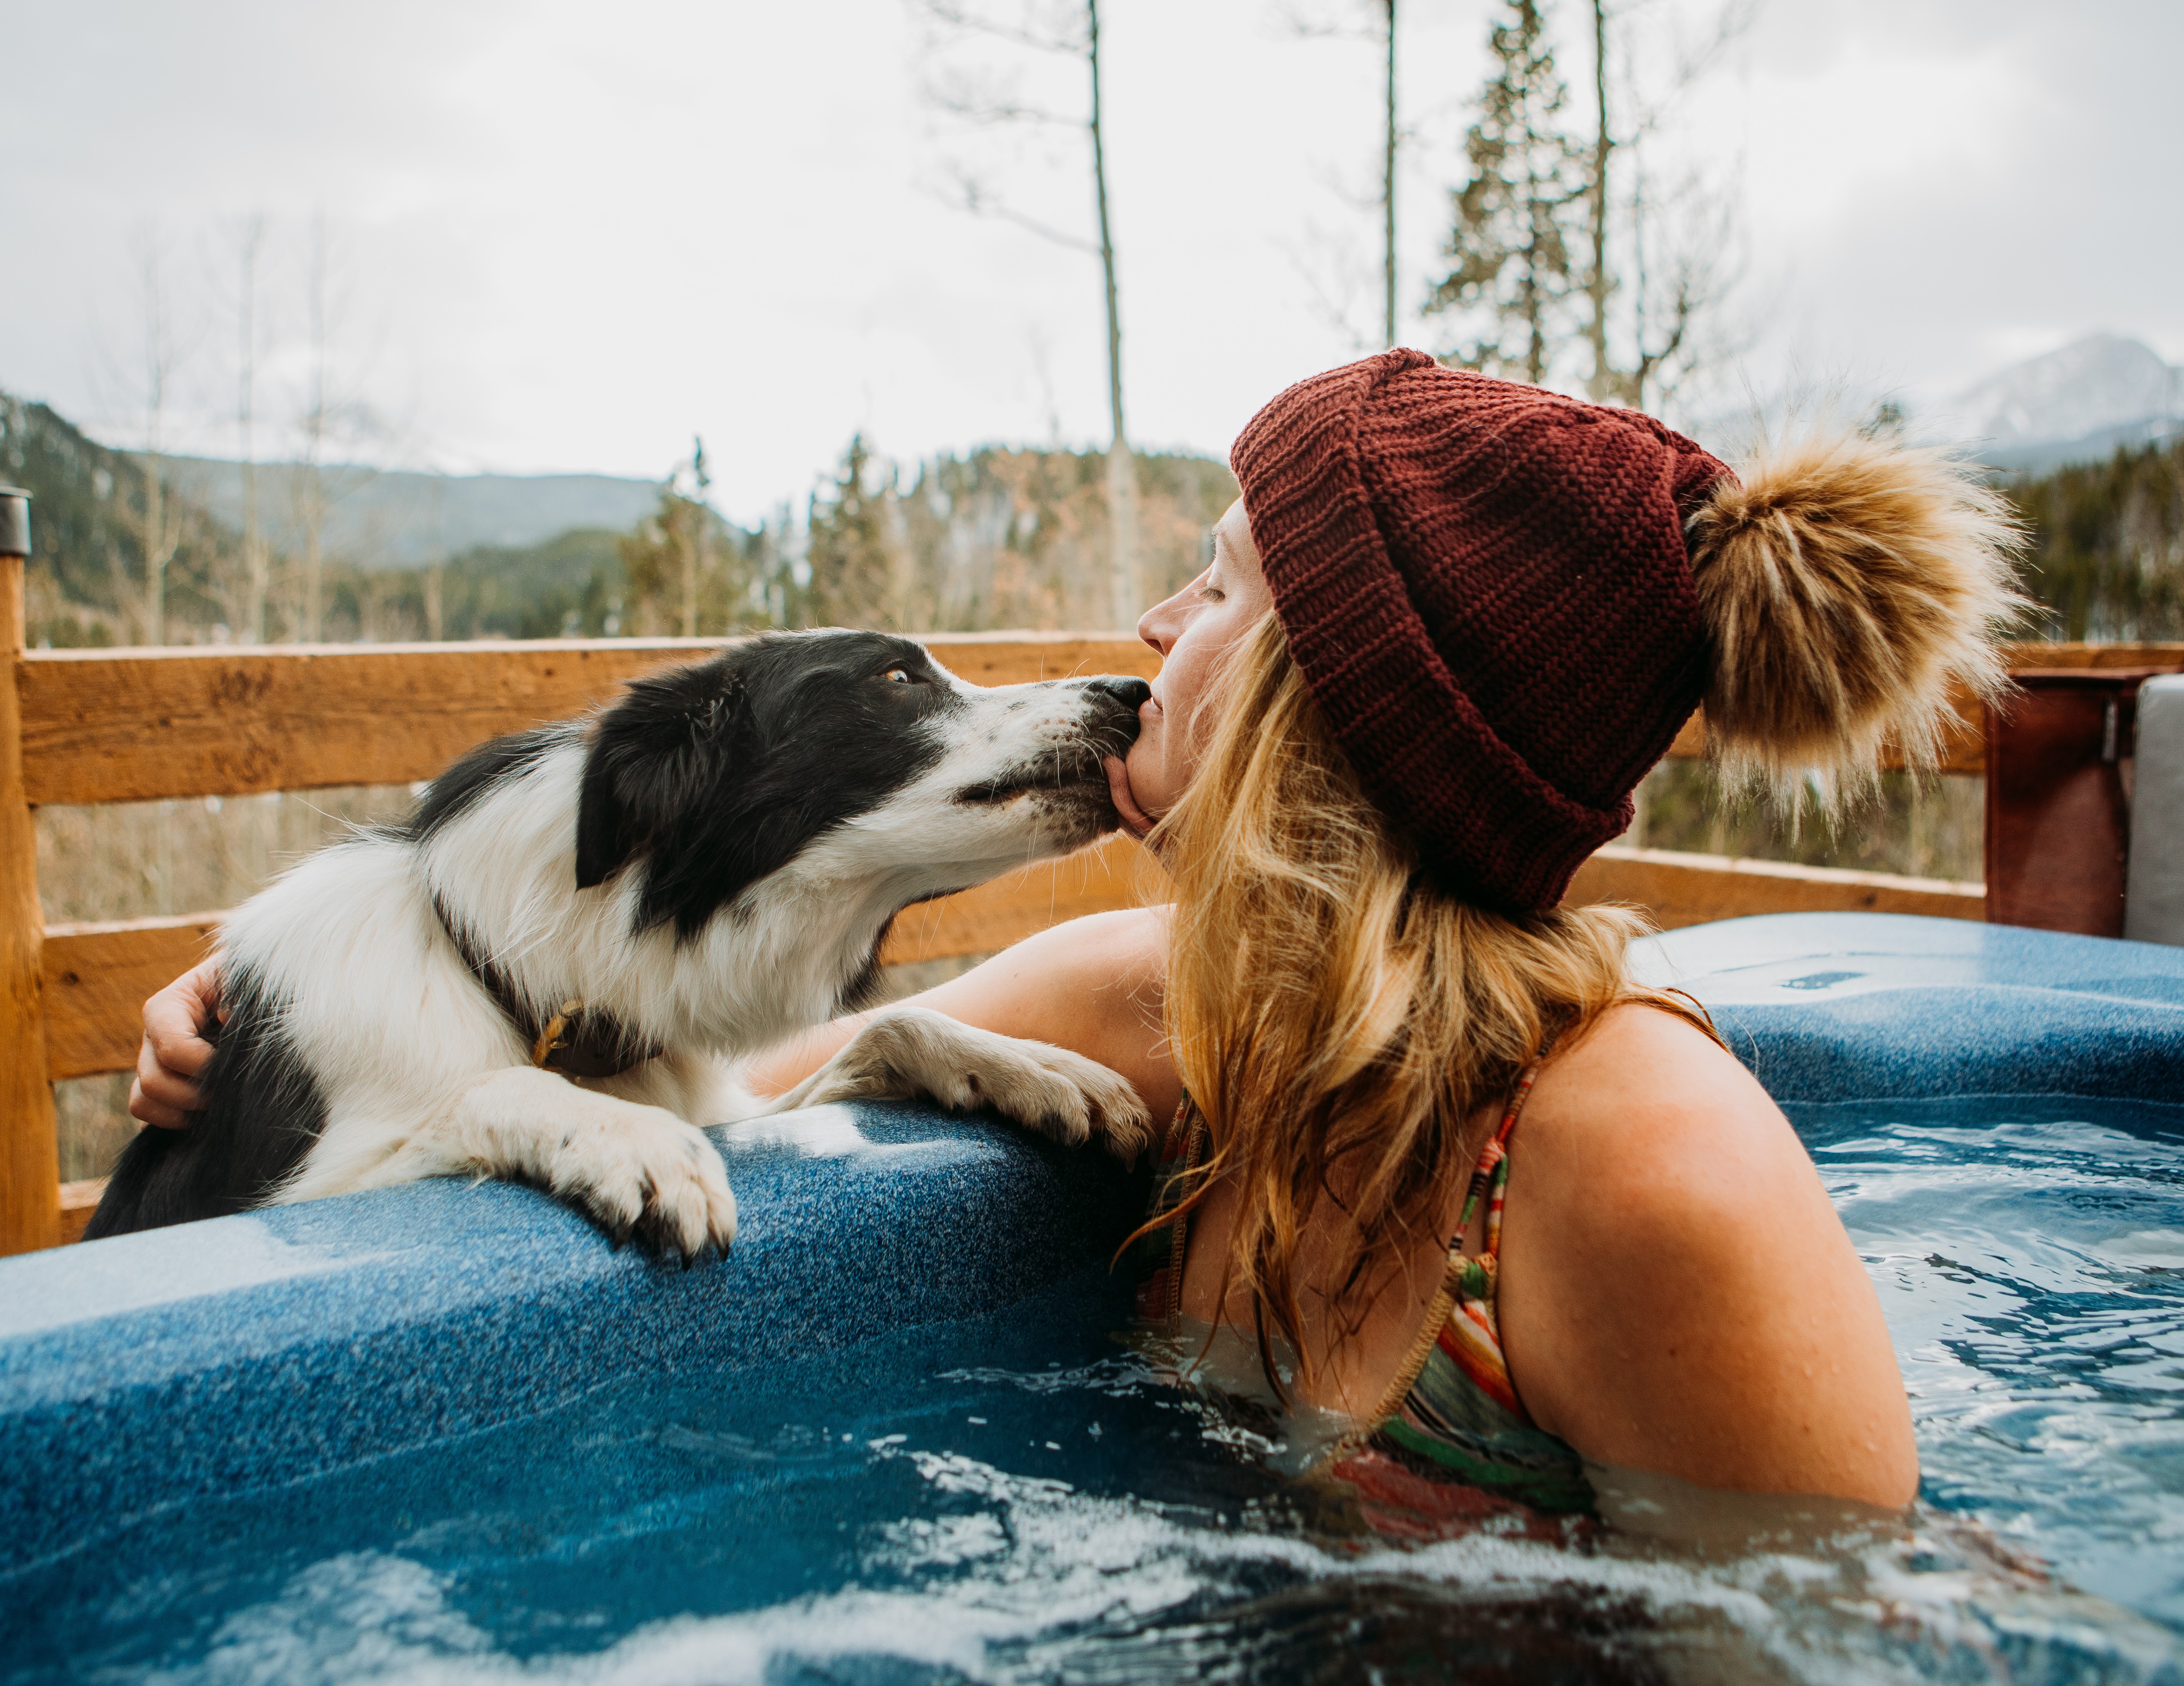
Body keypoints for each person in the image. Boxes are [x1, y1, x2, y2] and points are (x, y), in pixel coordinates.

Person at [131, 349, 2019, 1519]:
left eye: (1213, 580)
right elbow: (684, 1098)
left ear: (1324, 694)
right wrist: (283, 1031)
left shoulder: (1644, 1167)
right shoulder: (1137, 1017)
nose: (1148, 613)